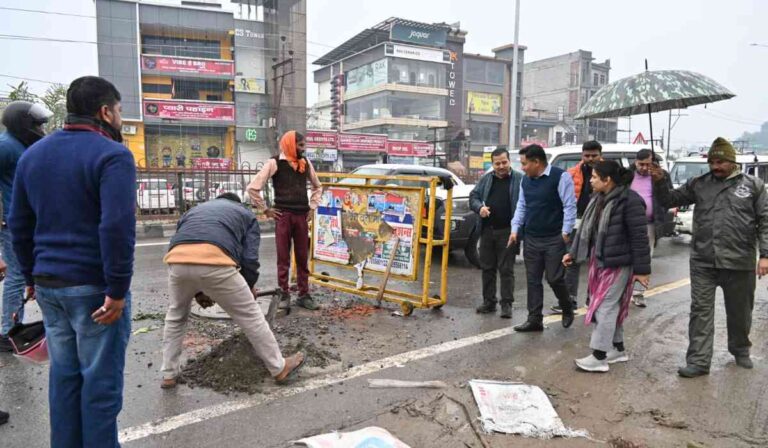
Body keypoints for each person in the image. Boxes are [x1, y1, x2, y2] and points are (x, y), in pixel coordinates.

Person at [9, 76, 135, 447]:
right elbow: (116, 226)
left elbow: (19, 223)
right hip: (94, 290)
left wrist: (31, 276)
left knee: (64, 379)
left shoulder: (33, 155)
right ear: (105, 111)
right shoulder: (112, 155)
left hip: (49, 285)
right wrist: (117, 289)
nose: (120, 118)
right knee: (100, 385)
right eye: (119, 110)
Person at [160, 193, 305, 388]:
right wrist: (249, 285)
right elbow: (249, 259)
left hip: (176, 261)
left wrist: (198, 291)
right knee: (250, 315)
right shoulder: (246, 214)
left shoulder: (194, 211)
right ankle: (279, 368)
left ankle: (169, 374)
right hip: (215, 262)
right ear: (238, 203)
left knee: (176, 316)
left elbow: (187, 243)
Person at [651, 137, 768, 378]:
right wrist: (660, 180)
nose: (715, 167)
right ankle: (699, 361)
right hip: (703, 261)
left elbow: (765, 221)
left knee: (740, 312)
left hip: (739, 261)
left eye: (720, 162)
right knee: (700, 312)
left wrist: (765, 255)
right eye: (712, 162)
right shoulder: (699, 184)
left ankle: (740, 349)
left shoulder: (753, 186)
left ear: (732, 161)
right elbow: (669, 200)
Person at [564, 161, 651, 372]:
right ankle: (617, 349)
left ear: (607, 180)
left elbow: (640, 237)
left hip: (619, 263)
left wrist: (642, 270)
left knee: (605, 306)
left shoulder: (630, 201)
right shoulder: (599, 199)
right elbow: (588, 231)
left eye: (595, 177)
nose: (591, 180)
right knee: (612, 305)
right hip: (601, 260)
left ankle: (599, 356)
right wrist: (573, 254)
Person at [247, 131, 323, 310]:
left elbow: (318, 186)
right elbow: (252, 188)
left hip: (301, 216)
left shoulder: (305, 163)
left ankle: (304, 294)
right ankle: (284, 293)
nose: (304, 149)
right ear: (290, 145)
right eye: (301, 145)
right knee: (283, 258)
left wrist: (312, 207)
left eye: (304, 145)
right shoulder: (274, 163)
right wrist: (266, 209)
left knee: (302, 257)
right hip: (283, 216)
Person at [0, 101, 52, 351]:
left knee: (32, 273)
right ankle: (7, 332)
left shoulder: (20, 145)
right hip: (12, 224)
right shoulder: (6, 146)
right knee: (18, 276)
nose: (40, 130)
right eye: (37, 125)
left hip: (25, 222)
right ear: (22, 124)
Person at [510, 144, 577, 331]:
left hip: (554, 237)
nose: (522, 168)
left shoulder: (560, 177)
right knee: (533, 279)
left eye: (524, 164)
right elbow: (522, 206)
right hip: (532, 237)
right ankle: (534, 319)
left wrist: (566, 231)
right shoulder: (525, 181)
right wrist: (515, 229)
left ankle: (567, 306)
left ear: (536, 162)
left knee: (554, 278)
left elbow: (569, 206)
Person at [469, 147, 524, 318]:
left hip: (508, 231)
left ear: (509, 162)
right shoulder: (487, 179)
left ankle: (506, 304)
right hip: (487, 230)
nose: (501, 166)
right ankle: (489, 302)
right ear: (492, 164)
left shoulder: (519, 179)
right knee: (487, 268)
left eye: (504, 162)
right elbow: (473, 196)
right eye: (497, 163)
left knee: (506, 269)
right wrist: (480, 208)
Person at [553, 140, 603, 314]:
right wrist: (565, 226)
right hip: (576, 221)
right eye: (587, 155)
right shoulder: (572, 173)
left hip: (599, 222)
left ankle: (593, 300)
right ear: (582, 155)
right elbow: (563, 200)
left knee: (596, 261)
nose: (590, 159)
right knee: (571, 260)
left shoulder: (608, 173)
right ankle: (569, 301)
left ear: (600, 155)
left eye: (594, 155)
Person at [628, 149, 673, 307]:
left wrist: (660, 180)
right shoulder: (627, 174)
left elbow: (668, 197)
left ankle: (638, 293)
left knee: (645, 257)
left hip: (649, 224)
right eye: (641, 164)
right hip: (627, 223)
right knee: (626, 256)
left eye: (648, 164)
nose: (644, 168)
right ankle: (623, 290)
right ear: (635, 162)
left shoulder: (661, 175)